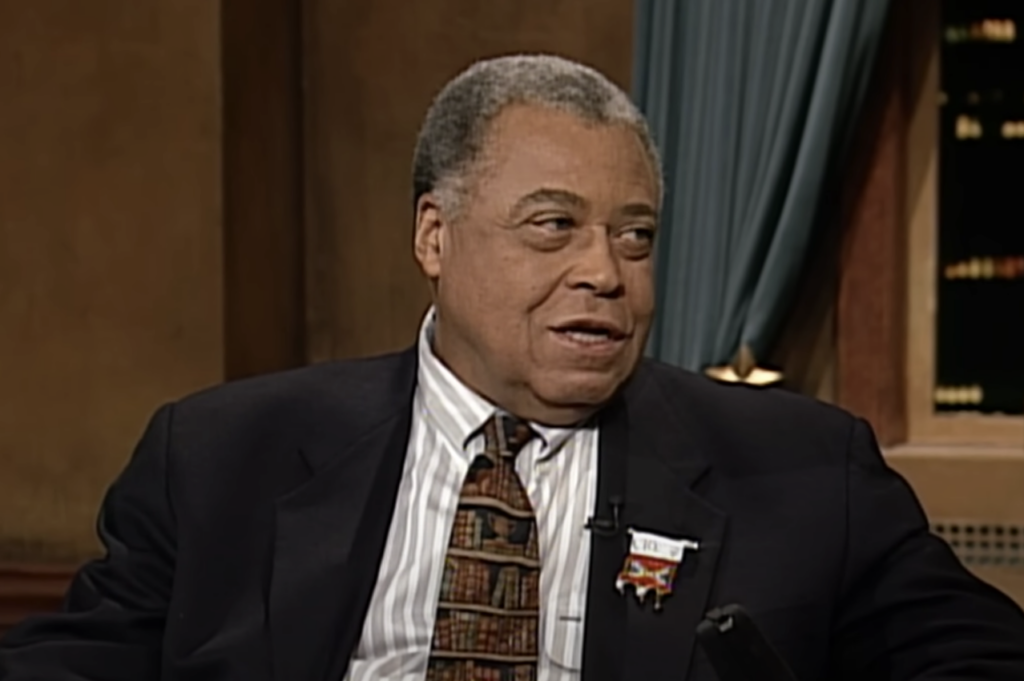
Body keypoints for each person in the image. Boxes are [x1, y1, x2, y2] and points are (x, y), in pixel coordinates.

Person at [2, 54, 1023, 681]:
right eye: (553, 227)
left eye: (635, 236)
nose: (605, 273)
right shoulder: (223, 455)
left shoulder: (803, 471)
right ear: (434, 237)